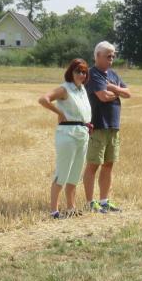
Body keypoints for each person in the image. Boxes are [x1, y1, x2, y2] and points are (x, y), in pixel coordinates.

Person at [38, 58, 92, 219]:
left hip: (83, 133)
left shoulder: (82, 89)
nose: (81, 75)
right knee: (63, 172)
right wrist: (59, 113)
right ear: (71, 72)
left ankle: (71, 207)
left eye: (84, 72)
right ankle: (54, 211)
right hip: (68, 134)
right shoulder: (64, 89)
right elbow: (43, 99)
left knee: (75, 173)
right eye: (78, 71)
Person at [84, 41, 130, 214]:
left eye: (113, 56)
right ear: (97, 56)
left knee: (109, 164)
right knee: (93, 164)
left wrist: (112, 87)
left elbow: (129, 93)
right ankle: (90, 202)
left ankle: (104, 201)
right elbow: (103, 96)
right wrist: (117, 92)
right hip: (98, 125)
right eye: (108, 56)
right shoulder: (92, 74)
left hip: (113, 126)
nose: (111, 59)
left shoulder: (113, 74)